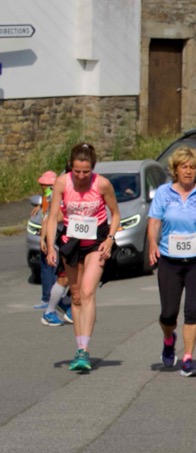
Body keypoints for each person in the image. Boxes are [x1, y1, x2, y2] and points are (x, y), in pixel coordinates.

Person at [147, 146, 196, 377]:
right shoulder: (163, 193)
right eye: (184, 167)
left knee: (192, 311)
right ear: (175, 169)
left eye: (192, 167)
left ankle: (188, 358)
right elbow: (154, 221)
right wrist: (152, 244)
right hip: (169, 260)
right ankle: (168, 339)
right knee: (168, 314)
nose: (188, 171)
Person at [42, 143, 121, 373]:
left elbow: (115, 214)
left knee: (87, 291)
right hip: (71, 242)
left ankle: (85, 350)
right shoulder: (62, 182)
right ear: (71, 167)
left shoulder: (102, 184)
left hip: (96, 241)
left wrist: (110, 239)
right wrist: (51, 246)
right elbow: (52, 216)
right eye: (77, 171)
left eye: (86, 171)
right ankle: (79, 348)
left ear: (92, 168)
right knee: (76, 296)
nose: (81, 176)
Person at [34, 170, 74, 326]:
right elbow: (48, 219)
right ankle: (53, 308)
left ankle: (64, 304)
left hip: (74, 240)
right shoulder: (55, 195)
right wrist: (44, 241)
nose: (44, 187)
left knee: (77, 276)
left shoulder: (54, 195)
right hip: (61, 241)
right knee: (65, 276)